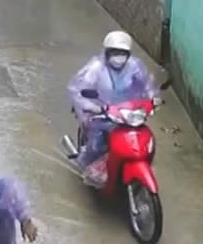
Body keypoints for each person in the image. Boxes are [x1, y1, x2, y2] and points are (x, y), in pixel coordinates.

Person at [66, 30, 159, 180]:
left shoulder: (135, 66)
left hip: (129, 113)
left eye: (123, 53)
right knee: (96, 146)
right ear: (107, 52)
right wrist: (92, 106)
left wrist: (153, 99)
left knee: (146, 142)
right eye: (115, 52)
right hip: (101, 113)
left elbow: (147, 85)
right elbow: (76, 89)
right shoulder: (96, 67)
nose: (119, 57)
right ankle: (83, 163)